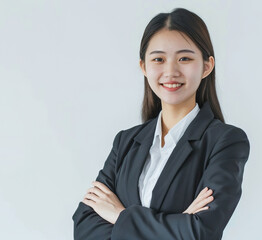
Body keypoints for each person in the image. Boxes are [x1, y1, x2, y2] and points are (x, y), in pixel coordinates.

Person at [72, 7, 250, 240]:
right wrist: (178, 223)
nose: (170, 71)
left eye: (184, 58)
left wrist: (119, 215)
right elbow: (84, 226)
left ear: (207, 66)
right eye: (158, 59)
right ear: (144, 67)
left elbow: (200, 232)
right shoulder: (125, 142)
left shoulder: (224, 142)